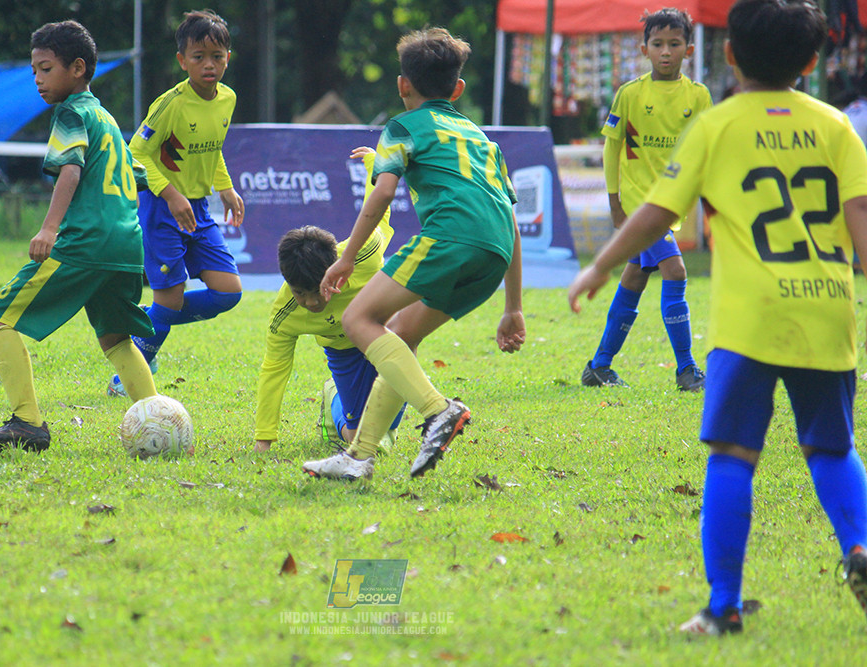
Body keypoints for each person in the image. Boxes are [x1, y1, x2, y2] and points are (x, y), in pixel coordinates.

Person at [569, 0, 867, 635]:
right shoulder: (838, 126)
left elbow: (657, 211)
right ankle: (859, 548)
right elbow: (862, 217)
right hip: (826, 309)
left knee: (732, 456)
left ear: (728, 54)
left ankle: (724, 604)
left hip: (749, 320)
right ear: (813, 63)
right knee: (833, 447)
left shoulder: (718, 123)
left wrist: (600, 265)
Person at [301, 27, 526, 481]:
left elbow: (383, 192)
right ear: (458, 89)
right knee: (401, 335)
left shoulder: (402, 127)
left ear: (403, 85)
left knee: (357, 320)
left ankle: (438, 410)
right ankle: (358, 457)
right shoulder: (483, 139)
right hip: (495, 250)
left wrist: (346, 259)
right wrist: (514, 306)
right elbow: (510, 219)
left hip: (451, 238)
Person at [0, 20, 157, 452]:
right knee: (116, 338)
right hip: (126, 246)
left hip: (86, 242)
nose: (37, 78)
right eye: (34, 70)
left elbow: (70, 169)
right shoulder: (105, 118)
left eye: (45, 68)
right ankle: (160, 420)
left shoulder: (71, 113)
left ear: (76, 68)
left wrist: (49, 227)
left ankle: (27, 423)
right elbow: (137, 175)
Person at [109, 9, 244, 397]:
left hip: (198, 209)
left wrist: (226, 188)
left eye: (216, 56)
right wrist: (170, 193)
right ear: (182, 61)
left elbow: (211, 149)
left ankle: (147, 326)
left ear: (227, 59)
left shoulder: (227, 99)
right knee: (170, 296)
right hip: (162, 208)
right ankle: (129, 375)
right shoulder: (170, 104)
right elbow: (135, 152)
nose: (209, 65)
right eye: (198, 57)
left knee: (228, 292)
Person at [581, 8, 712, 391]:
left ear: (688, 50)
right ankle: (687, 369)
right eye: (658, 44)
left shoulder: (698, 96)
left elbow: (706, 148)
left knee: (636, 277)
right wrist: (614, 201)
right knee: (676, 271)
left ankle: (599, 366)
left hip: (671, 206)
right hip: (640, 205)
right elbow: (611, 149)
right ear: (644, 49)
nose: (666, 51)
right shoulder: (631, 94)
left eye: (674, 44)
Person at [255, 147, 403, 454]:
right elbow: (274, 370)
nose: (310, 303)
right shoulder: (284, 314)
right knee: (362, 439)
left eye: (317, 290)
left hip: (382, 337)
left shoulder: (361, 253)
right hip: (343, 352)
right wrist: (263, 439)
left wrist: (375, 165)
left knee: (383, 426)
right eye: (300, 292)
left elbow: (376, 210)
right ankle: (333, 397)